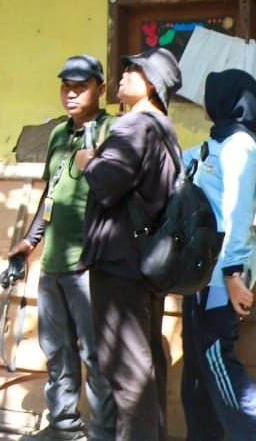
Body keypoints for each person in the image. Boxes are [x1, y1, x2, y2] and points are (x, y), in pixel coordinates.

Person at [7, 55, 117, 441]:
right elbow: (50, 194)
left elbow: (119, 194)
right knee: (56, 350)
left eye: (80, 87)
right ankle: (64, 426)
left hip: (90, 265)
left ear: (101, 89)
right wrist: (30, 241)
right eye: (66, 87)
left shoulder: (111, 131)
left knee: (96, 354)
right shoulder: (58, 135)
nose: (70, 94)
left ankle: (103, 432)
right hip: (53, 262)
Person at [76, 48, 182, 441]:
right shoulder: (164, 128)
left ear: (152, 84)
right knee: (146, 362)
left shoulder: (135, 125)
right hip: (147, 260)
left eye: (135, 70)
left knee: (127, 370)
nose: (123, 74)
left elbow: (107, 183)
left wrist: (89, 162)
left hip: (120, 260)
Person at [180, 69, 256, 441]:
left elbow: (238, 212)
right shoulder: (216, 143)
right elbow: (183, 163)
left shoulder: (240, 146)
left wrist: (233, 273)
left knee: (217, 359)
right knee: (199, 367)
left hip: (225, 270)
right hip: (204, 269)